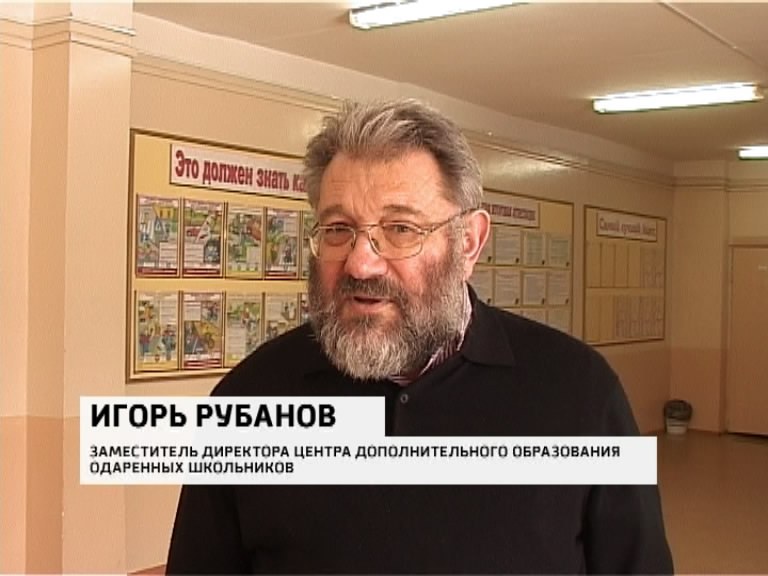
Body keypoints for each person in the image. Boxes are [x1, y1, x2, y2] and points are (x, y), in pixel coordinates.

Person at [166, 99, 673, 574]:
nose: (361, 263)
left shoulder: (581, 392)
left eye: (401, 229)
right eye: (338, 228)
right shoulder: (248, 400)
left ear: (468, 242)